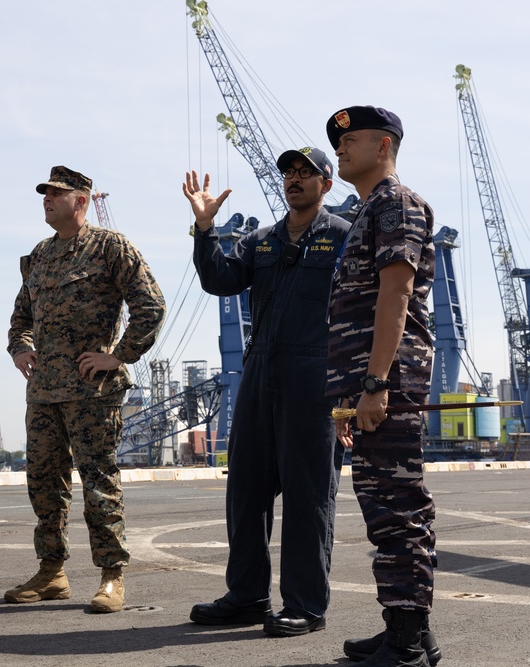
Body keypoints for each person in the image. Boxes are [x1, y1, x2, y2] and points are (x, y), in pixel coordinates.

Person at [182, 147, 350, 637]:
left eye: (306, 172)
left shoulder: (344, 237)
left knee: (307, 495)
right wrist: (204, 230)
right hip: (260, 371)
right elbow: (219, 280)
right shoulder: (262, 241)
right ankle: (247, 595)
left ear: (327, 182)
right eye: (288, 173)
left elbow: (362, 312)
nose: (294, 179)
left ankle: (305, 605)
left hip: (315, 375)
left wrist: (350, 393)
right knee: (246, 490)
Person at [5, 165, 166, 614]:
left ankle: (112, 576)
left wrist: (120, 355)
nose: (46, 199)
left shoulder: (110, 247)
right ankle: (51, 573)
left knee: (98, 483)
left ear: (82, 200)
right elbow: (21, 317)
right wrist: (20, 347)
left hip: (92, 391)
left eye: (56, 194)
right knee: (43, 485)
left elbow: (150, 305)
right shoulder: (39, 255)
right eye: (44, 194)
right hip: (43, 392)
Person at [324, 106, 440, 667]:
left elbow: (395, 297)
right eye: (338, 141)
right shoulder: (371, 209)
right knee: (381, 505)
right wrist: (352, 395)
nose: (340, 147)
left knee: (399, 506)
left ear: (384, 144)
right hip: (367, 386)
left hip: (388, 383)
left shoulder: (396, 203)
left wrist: (375, 384)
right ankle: (404, 624)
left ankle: (409, 640)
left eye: (351, 139)